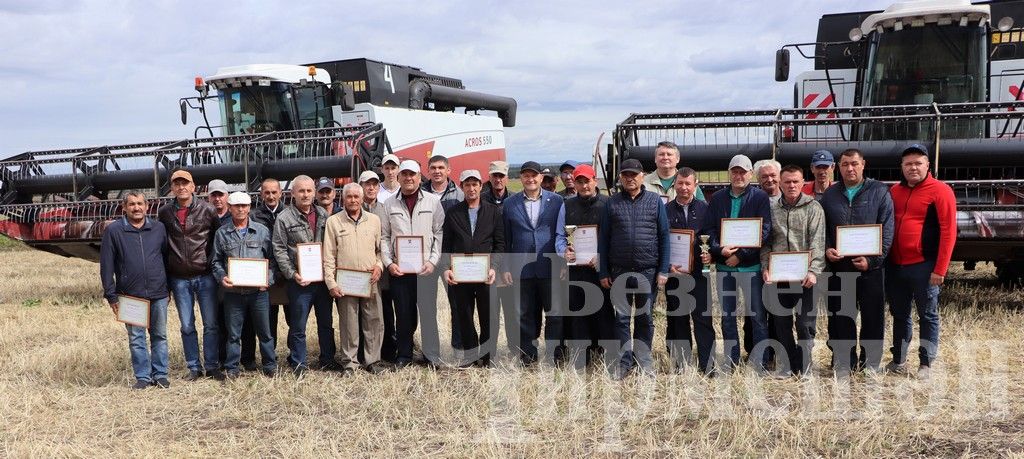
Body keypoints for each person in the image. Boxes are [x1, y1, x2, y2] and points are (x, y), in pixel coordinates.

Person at [886, 144, 957, 380]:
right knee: (900, 314)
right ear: (902, 167)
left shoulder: (941, 191)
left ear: (928, 165)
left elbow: (949, 232)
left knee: (927, 315)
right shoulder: (894, 191)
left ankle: (926, 363)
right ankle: (899, 360)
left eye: (918, 163)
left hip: (924, 265)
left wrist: (940, 269)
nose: (913, 167)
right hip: (896, 266)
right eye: (908, 164)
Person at [821, 148, 894, 376]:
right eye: (844, 164)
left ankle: (870, 363)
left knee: (872, 317)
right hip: (839, 267)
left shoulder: (880, 192)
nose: (850, 168)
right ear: (838, 167)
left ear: (864, 164)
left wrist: (873, 260)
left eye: (854, 163)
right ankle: (844, 361)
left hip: (870, 269)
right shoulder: (830, 195)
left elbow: (888, 230)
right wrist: (827, 249)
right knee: (841, 317)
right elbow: (823, 229)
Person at [599, 158, 670, 379]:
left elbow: (664, 236)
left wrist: (663, 269)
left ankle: (644, 361)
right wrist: (603, 271)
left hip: (647, 271)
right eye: (625, 175)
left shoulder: (655, 201)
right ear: (620, 178)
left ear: (642, 176)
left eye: (634, 175)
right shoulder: (612, 203)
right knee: (621, 319)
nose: (630, 179)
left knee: (645, 318)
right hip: (619, 271)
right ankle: (624, 362)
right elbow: (604, 238)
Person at [703, 154, 772, 372]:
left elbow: (764, 231)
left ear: (751, 174)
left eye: (743, 171)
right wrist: (719, 250)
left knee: (758, 317)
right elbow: (709, 230)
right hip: (725, 268)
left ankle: (760, 361)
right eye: (735, 171)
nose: (739, 175)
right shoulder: (718, 198)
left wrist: (740, 255)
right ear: (729, 173)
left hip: (750, 267)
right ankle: (731, 360)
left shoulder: (760, 197)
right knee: (727, 317)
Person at [158, 169, 223, 381]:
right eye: (177, 184)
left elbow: (217, 239)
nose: (181, 187)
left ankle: (212, 365)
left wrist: (212, 265)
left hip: (205, 276)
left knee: (211, 324)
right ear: (172, 188)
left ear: (193, 186)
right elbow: (163, 246)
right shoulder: (165, 213)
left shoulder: (207, 210)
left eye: (185, 183)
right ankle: (194, 367)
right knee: (187, 325)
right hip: (179, 278)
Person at [100, 192, 170, 389]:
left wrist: (168, 288)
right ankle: (143, 377)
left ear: (147, 206)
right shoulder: (114, 231)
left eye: (140, 203)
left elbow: (166, 258)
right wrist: (111, 294)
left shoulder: (158, 228)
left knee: (159, 335)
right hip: (130, 295)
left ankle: (161, 374)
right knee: (136, 338)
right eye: (131, 204)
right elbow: (106, 265)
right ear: (124, 207)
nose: (136, 208)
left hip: (158, 292)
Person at [760, 165, 825, 377]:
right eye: (787, 181)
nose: (791, 185)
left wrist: (814, 270)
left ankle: (805, 366)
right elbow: (766, 243)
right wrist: (765, 267)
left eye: (796, 181)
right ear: (780, 183)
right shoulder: (771, 209)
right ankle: (788, 365)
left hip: (806, 277)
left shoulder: (813, 208)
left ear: (803, 182)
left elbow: (818, 242)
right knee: (781, 322)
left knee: (805, 324)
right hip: (779, 277)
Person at [381, 159, 446, 368]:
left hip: (425, 269)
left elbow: (439, 233)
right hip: (399, 270)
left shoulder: (433, 202)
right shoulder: (389, 204)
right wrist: (389, 263)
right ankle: (405, 355)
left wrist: (433, 261)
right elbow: (384, 237)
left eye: (413, 174)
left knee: (428, 313)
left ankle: (431, 355)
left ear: (420, 177)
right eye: (405, 174)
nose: (408, 178)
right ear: (398, 177)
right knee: (403, 313)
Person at [503, 161, 568, 366]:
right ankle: (528, 357)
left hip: (551, 266)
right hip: (522, 268)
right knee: (525, 315)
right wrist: (505, 267)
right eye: (526, 176)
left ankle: (555, 355)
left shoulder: (557, 201)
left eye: (534, 175)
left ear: (541, 177)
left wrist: (565, 263)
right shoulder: (510, 204)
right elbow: (505, 238)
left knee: (555, 314)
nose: (530, 179)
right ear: (520, 178)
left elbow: (563, 235)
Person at [272, 175, 336, 377]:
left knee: (326, 323)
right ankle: (299, 362)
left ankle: (327, 359)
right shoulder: (284, 218)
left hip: (322, 281)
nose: (306, 194)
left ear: (314, 192)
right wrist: (292, 274)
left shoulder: (324, 216)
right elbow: (279, 249)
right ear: (293, 194)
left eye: (309, 190)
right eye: (301, 191)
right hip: (300, 282)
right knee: (298, 325)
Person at [440, 169, 504, 367]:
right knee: (464, 315)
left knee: (488, 315)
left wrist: (494, 267)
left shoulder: (493, 212)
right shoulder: (453, 213)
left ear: (481, 186)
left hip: (486, 274)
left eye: (475, 184)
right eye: (467, 184)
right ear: (462, 187)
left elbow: (500, 244)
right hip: (461, 274)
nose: (471, 188)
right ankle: (470, 354)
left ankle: (487, 356)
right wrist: (446, 269)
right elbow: (446, 245)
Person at [211, 192, 277, 379]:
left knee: (265, 332)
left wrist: (268, 280)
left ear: (250, 207)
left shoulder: (262, 231)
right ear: (230, 207)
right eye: (237, 206)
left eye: (245, 206)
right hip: (233, 293)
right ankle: (232, 368)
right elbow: (215, 261)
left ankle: (269, 365)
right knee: (233, 334)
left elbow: (272, 260)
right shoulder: (222, 233)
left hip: (259, 293)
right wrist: (222, 277)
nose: (241, 209)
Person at [323, 183, 387, 376]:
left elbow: (380, 250)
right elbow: (329, 255)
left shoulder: (374, 220)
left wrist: (379, 266)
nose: (353, 200)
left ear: (362, 199)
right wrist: (331, 282)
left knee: (374, 321)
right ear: (343, 199)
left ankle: (373, 360)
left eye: (356, 197)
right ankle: (350, 363)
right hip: (346, 282)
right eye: (349, 196)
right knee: (349, 323)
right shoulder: (334, 222)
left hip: (370, 279)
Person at [664, 167, 715, 375]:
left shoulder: (705, 209)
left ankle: (708, 364)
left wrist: (711, 254)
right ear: (674, 185)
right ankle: (681, 364)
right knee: (678, 319)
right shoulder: (665, 210)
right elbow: (659, 241)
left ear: (696, 185)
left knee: (703, 319)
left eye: (688, 184)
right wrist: (668, 265)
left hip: (698, 274)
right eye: (680, 183)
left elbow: (713, 236)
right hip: (675, 274)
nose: (684, 188)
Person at [562, 164, 613, 367]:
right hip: (576, 268)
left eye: (587, 181)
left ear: (595, 181)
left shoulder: (607, 204)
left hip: (600, 269)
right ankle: (581, 356)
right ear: (574, 183)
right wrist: (565, 251)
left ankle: (605, 353)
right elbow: (561, 235)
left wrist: (604, 257)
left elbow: (614, 237)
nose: (584, 185)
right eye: (579, 181)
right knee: (578, 312)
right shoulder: (567, 206)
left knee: (603, 311)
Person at [244, 177, 286, 371]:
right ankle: (270, 356)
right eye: (266, 192)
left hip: (287, 274)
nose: (270, 196)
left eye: (274, 192)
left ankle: (294, 355)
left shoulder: (288, 213)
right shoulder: (253, 216)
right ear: (261, 194)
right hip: (264, 276)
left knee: (293, 318)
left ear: (280, 193)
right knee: (267, 320)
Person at [358, 170, 397, 364]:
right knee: (363, 314)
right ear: (361, 186)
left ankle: (387, 351)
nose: (371, 187)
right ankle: (362, 353)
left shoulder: (386, 208)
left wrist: (383, 263)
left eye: (374, 184)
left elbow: (388, 238)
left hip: (383, 270)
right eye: (367, 184)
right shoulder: (355, 209)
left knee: (386, 313)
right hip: (362, 271)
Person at [481, 160, 517, 356]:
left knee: (512, 312)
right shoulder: (481, 200)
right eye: (495, 175)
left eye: (501, 176)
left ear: (507, 178)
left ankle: (515, 349)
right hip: (489, 264)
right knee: (490, 313)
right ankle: (488, 352)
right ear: (490, 177)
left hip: (510, 264)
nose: (498, 179)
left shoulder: (514, 201)